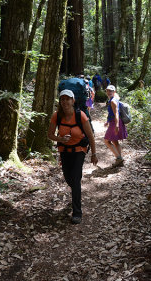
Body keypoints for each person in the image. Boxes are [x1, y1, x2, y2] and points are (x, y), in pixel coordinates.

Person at [48, 89, 98, 224]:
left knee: (75, 180)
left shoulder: (80, 116)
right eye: (62, 99)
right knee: (68, 178)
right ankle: (76, 191)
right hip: (64, 150)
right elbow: (50, 135)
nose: (65, 102)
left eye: (67, 99)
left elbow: (91, 136)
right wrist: (60, 138)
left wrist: (94, 154)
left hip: (79, 150)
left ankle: (77, 212)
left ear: (73, 100)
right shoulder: (56, 116)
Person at [104, 85, 128, 167]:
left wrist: (117, 125)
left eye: (111, 91)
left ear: (114, 92)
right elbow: (112, 113)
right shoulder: (115, 98)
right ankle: (120, 160)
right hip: (114, 122)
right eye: (107, 91)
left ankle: (118, 158)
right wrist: (107, 122)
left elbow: (116, 113)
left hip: (115, 123)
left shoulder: (113, 101)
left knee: (106, 141)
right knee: (115, 141)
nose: (109, 92)